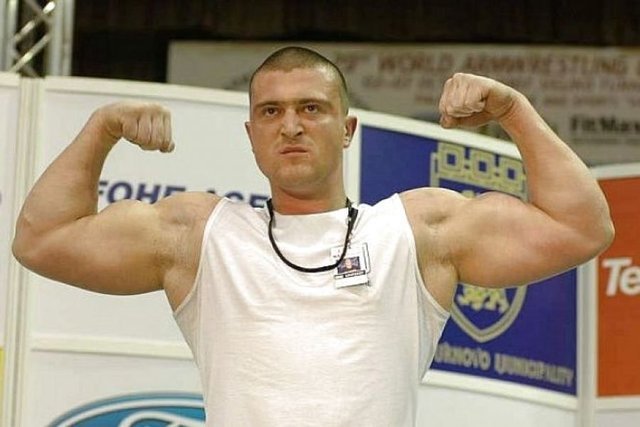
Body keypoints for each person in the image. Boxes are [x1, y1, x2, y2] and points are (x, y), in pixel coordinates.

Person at [12, 46, 614, 426]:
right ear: (251, 134)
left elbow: (581, 227)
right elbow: (42, 240)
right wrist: (100, 130)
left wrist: (514, 111)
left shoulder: (415, 229)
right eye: (271, 112)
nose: (291, 126)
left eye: (311, 108)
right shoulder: (201, 235)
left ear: (347, 128)